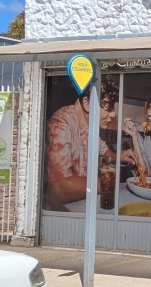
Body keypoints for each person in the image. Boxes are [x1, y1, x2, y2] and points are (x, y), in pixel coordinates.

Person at [43, 76, 119, 210]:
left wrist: (122, 156)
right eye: (108, 107)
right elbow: (59, 189)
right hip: (60, 212)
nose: (113, 114)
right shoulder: (61, 123)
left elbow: (108, 155)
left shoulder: (92, 125)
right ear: (87, 103)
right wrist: (106, 184)